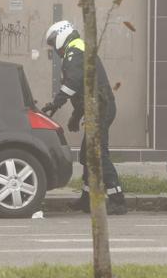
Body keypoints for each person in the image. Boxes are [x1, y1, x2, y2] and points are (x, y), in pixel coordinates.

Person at [41, 20, 127, 215]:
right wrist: (75, 115)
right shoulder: (77, 50)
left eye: (54, 42)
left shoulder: (75, 51)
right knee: (88, 155)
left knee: (98, 154)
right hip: (96, 108)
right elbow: (84, 90)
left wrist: (56, 103)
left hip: (101, 109)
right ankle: (87, 199)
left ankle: (118, 200)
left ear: (62, 34)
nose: (54, 48)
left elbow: (73, 83)